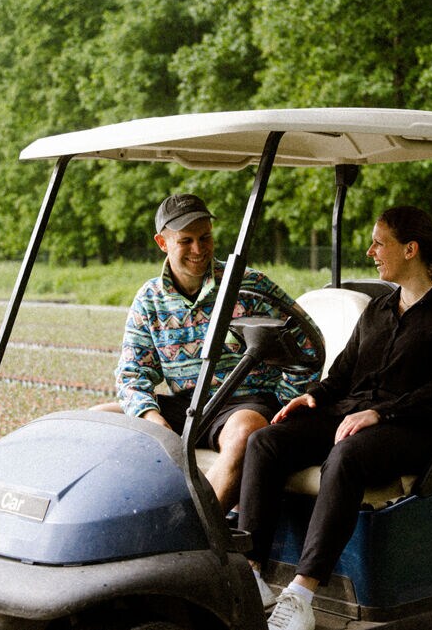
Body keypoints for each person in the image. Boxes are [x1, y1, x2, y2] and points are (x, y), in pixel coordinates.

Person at [238, 206, 432, 630]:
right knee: (266, 440)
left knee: (346, 457)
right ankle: (253, 573)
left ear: (410, 249)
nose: (371, 251)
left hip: (415, 426)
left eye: (379, 243)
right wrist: (311, 397)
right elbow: (342, 375)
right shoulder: (378, 309)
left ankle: (301, 593)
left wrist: (381, 411)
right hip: (355, 415)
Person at [114, 193, 318, 515]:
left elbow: (307, 342)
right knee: (99, 418)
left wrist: (284, 400)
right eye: (186, 241)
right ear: (162, 243)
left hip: (242, 400)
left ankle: (195, 535)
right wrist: (152, 417)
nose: (199, 250)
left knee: (244, 433)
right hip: (187, 403)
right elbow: (132, 374)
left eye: (205, 238)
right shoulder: (149, 299)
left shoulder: (248, 285)